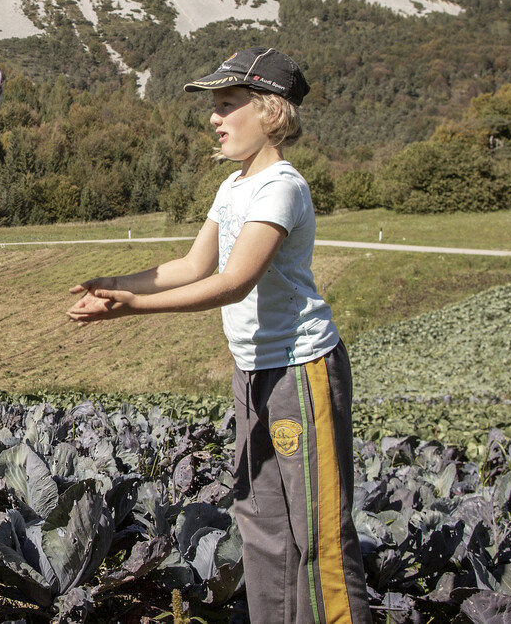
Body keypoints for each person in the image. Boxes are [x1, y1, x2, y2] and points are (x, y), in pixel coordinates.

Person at [65, 48, 369, 624]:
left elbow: (234, 282)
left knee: (319, 532)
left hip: (299, 371)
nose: (214, 117)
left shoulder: (280, 186)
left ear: (272, 113)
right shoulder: (233, 186)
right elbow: (191, 265)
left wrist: (134, 308)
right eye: (215, 106)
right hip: (251, 370)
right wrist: (113, 283)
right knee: (261, 521)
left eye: (229, 105)